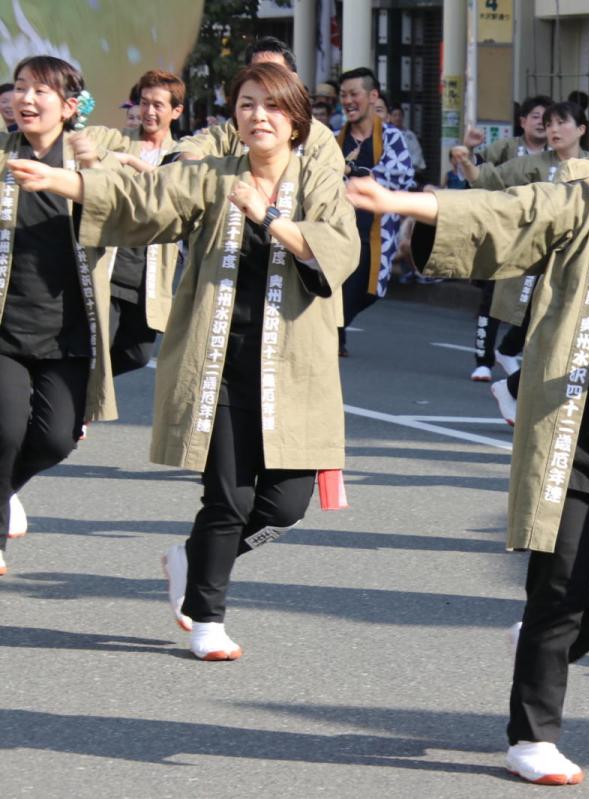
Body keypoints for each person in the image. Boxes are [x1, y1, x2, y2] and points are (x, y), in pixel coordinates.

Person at [347, 65, 589, 786]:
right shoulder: (578, 202)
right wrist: (405, 201)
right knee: (555, 589)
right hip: (570, 436)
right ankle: (532, 733)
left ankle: (542, 645)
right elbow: (510, 212)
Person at [12, 61, 359, 660]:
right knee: (228, 498)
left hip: (295, 371)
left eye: (272, 106)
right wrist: (68, 183)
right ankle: (206, 616)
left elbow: (338, 250)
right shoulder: (215, 176)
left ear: (297, 121)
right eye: (247, 104)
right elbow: (147, 201)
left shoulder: (318, 179)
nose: (258, 116)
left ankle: (190, 558)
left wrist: (269, 217)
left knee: (284, 506)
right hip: (219, 360)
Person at [0, 56, 120, 576]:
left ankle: (5, 492)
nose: (26, 99)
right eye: (21, 88)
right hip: (5, 328)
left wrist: (87, 174)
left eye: (40, 91)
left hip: (69, 332)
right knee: (4, 431)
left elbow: (127, 211)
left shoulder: (90, 163)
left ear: (70, 107)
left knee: (54, 439)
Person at [452, 101, 589, 415]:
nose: (553, 129)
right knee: (534, 318)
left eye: (561, 123)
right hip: (537, 257)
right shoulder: (533, 163)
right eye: (550, 123)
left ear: (582, 129)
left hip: (578, 261)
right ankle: (512, 378)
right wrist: (466, 160)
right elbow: (489, 179)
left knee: (559, 328)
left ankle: (512, 366)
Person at [88, 70, 187, 377]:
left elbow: (173, 190)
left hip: (151, 276)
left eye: (158, 105)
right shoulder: (118, 140)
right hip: (111, 266)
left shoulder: (183, 153)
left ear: (176, 110)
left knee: (137, 354)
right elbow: (85, 147)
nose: (149, 111)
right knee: (96, 351)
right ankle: (77, 412)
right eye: (144, 103)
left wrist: (131, 163)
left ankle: (77, 400)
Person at [175, 37, 344, 177]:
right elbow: (193, 147)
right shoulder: (235, 128)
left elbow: (327, 197)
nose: (264, 81)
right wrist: (190, 160)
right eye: (257, 74)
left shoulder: (319, 138)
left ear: (293, 80)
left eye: (274, 73)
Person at [335, 67, 415, 356]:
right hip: (338, 230)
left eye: (354, 94)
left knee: (371, 291)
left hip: (378, 230)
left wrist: (356, 171)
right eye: (343, 95)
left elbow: (402, 176)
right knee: (339, 286)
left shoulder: (392, 138)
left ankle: (336, 329)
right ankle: (333, 335)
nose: (348, 100)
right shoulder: (333, 139)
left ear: (372, 96)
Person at [464, 94, 552, 165]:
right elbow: (476, 167)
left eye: (546, 117)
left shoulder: (558, 150)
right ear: (523, 122)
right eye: (536, 117)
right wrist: (469, 148)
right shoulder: (505, 147)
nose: (541, 122)